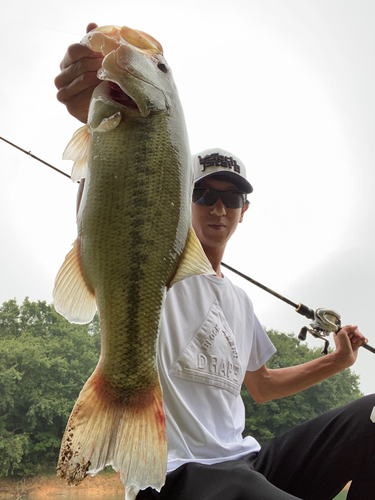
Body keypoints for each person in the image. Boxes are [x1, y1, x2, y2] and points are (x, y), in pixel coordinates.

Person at [54, 24, 375, 500]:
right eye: (203, 193)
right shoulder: (162, 273)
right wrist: (99, 121)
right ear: (179, 197)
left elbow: (262, 386)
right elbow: (114, 212)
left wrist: (338, 361)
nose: (218, 207)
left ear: (246, 210)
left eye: (230, 196)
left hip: (245, 461)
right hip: (177, 474)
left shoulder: (239, 302)